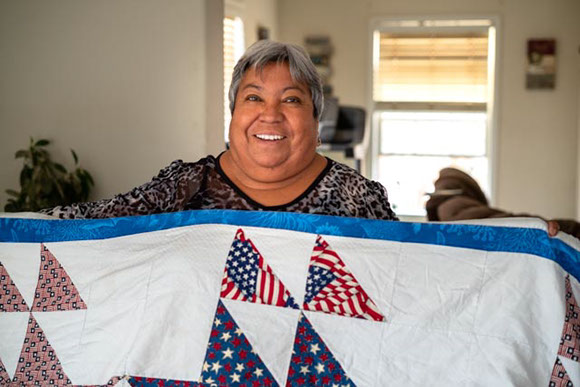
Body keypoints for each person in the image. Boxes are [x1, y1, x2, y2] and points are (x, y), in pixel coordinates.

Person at [41, 40, 397, 221]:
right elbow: (90, 224)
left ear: (316, 120)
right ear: (233, 113)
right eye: (253, 98)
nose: (269, 115)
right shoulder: (185, 186)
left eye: (291, 100)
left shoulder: (359, 199)